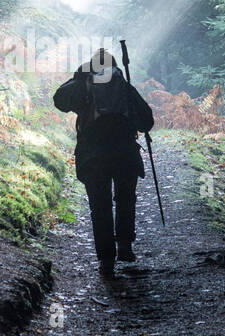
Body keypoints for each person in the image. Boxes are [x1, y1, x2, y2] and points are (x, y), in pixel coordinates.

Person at [53, 49, 155, 279]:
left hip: (93, 156)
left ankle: (106, 261)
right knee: (125, 199)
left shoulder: (83, 86)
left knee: (100, 206)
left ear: (91, 67)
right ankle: (125, 245)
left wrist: (80, 75)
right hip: (125, 153)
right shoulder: (124, 87)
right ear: (114, 66)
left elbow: (59, 100)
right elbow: (147, 121)